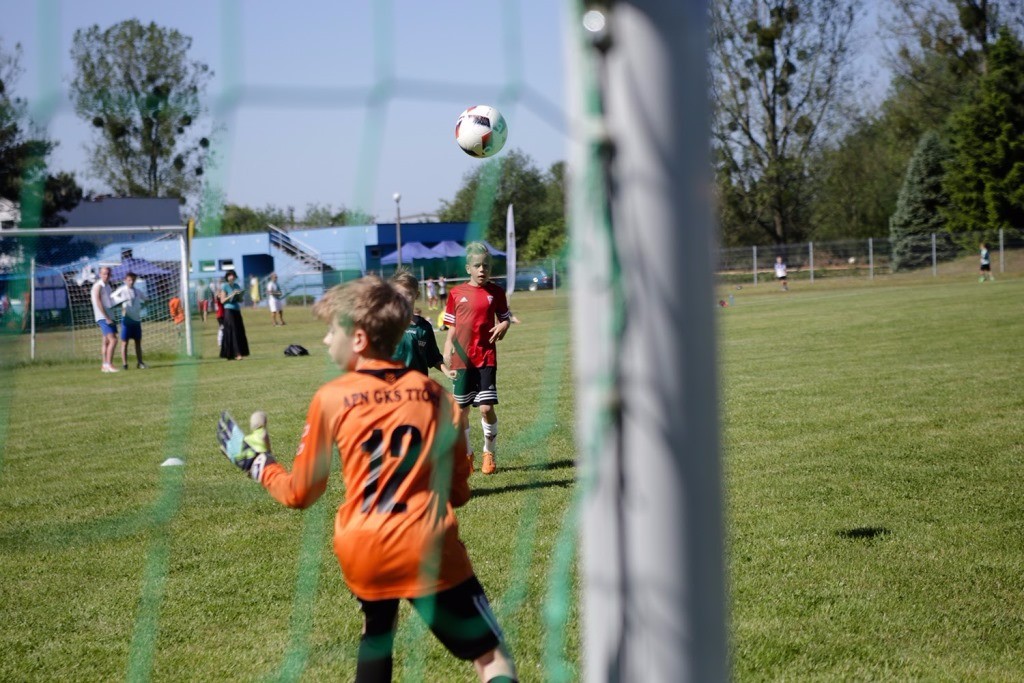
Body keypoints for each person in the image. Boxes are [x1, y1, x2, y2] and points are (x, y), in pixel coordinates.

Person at [217, 275, 518, 683]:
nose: (325, 340)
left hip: (362, 546)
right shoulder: (439, 399)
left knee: (377, 632)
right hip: (425, 545)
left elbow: (300, 494)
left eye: (331, 330)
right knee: (491, 658)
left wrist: (258, 463)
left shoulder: (331, 397)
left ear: (358, 339)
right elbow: (458, 493)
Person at [442, 243, 511, 476]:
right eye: (477, 266)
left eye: (486, 266)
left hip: (486, 357)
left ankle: (488, 453)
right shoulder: (456, 293)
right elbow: (452, 326)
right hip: (462, 361)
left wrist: (504, 325)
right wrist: (447, 347)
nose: (482, 270)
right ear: (468, 268)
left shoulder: (496, 292)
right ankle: (467, 454)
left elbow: (505, 318)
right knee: (461, 412)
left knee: (485, 408)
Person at [391, 269, 453, 377]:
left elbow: (433, 357)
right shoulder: (386, 325)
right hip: (393, 384)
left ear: (417, 294)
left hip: (418, 384)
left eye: (408, 294)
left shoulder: (424, 327)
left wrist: (447, 372)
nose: (403, 298)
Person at [113, 271, 148, 369]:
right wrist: (120, 304)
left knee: (138, 342)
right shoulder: (122, 290)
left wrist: (141, 307)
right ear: (125, 280)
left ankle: (140, 363)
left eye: (133, 280)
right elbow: (112, 297)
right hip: (126, 320)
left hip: (136, 320)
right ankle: (125, 364)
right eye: (129, 280)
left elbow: (146, 300)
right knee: (124, 342)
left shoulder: (138, 291)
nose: (131, 282)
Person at [90, 265, 119, 373]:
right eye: (104, 273)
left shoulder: (107, 286)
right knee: (113, 340)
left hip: (109, 315)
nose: (106, 275)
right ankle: (109, 364)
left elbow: (108, 301)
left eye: (108, 274)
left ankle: (104, 365)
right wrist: (106, 317)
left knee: (106, 341)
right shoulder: (98, 286)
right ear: (100, 274)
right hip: (103, 317)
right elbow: (97, 302)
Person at [220, 270, 250, 360]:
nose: (231, 277)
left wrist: (240, 296)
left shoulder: (237, 286)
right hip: (229, 310)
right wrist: (231, 295)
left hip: (236, 310)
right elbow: (222, 300)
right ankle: (236, 354)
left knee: (239, 331)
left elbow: (240, 300)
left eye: (233, 275)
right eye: (230, 275)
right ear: (227, 277)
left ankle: (240, 352)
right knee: (232, 332)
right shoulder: (224, 286)